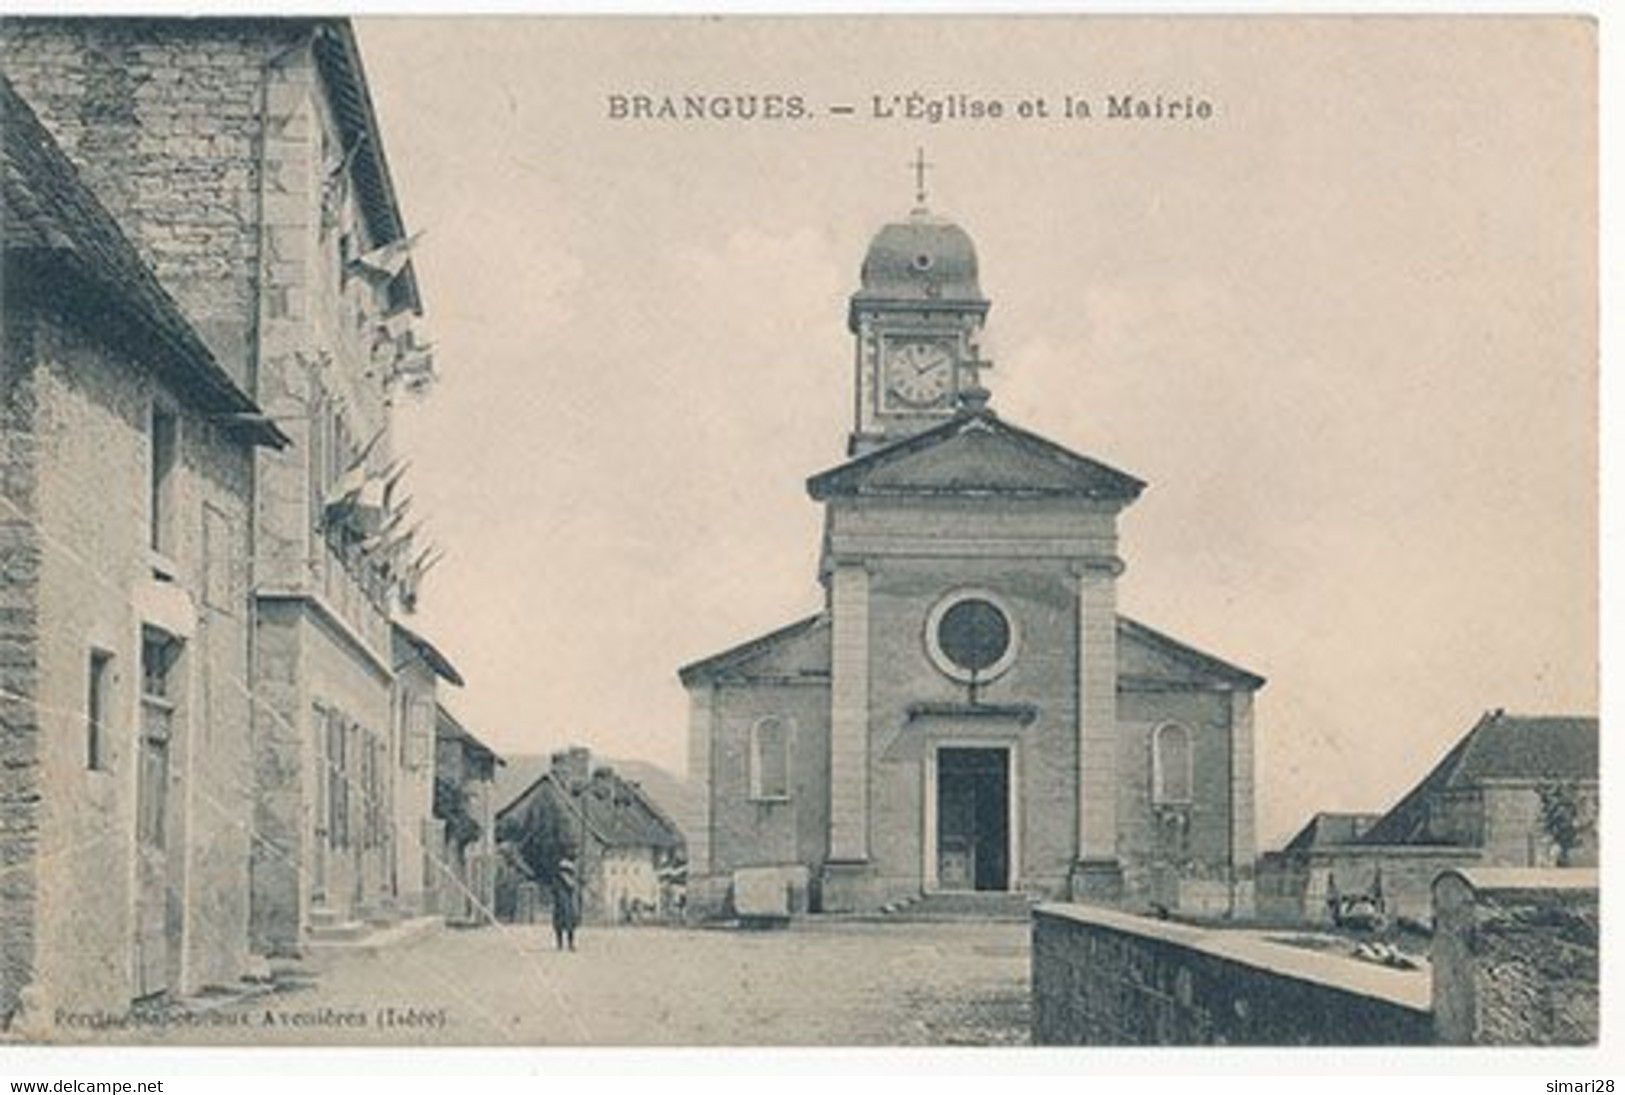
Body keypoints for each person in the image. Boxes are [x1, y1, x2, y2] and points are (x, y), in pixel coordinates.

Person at [551, 854, 579, 951]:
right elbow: (571, 887)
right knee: (562, 924)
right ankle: (562, 944)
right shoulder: (559, 879)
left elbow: (572, 888)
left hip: (566, 904)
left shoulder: (566, 879)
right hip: (562, 904)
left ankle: (567, 944)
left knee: (568, 925)